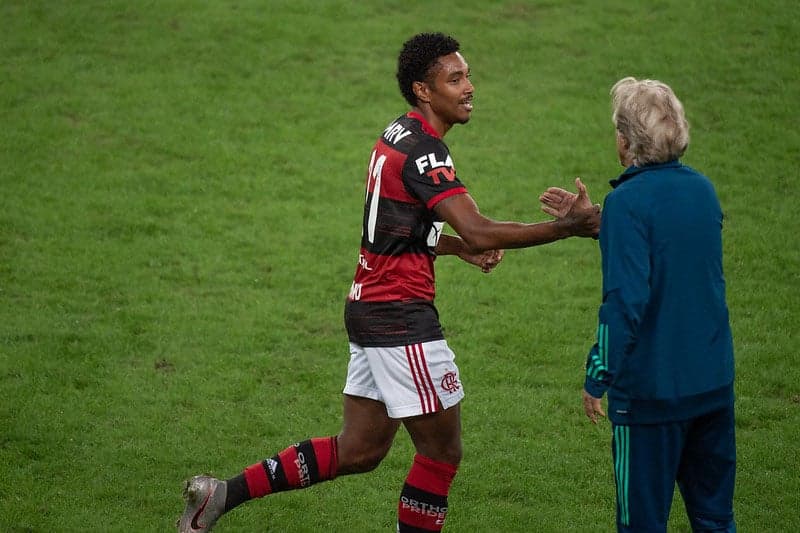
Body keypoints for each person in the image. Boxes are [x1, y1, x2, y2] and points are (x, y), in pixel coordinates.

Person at [178, 32, 600, 533]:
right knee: (442, 451)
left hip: (369, 308)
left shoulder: (396, 135)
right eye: (455, 78)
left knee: (359, 450)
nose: (469, 87)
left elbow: (393, 230)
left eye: (467, 75)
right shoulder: (426, 153)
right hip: (401, 317)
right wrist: (567, 228)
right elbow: (479, 227)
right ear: (424, 90)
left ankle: (221, 494)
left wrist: (456, 248)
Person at [543, 77, 736, 532]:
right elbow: (672, 252)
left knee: (641, 526)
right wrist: (601, 223)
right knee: (715, 519)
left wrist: (597, 376)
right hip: (712, 385)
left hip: (651, 397)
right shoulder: (702, 190)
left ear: (625, 140)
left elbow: (626, 302)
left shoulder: (627, 203)